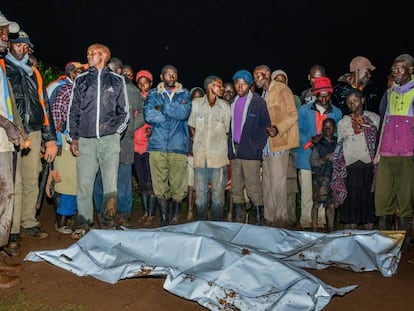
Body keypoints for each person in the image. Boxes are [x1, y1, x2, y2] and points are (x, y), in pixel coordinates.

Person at [68, 44, 129, 238]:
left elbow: (124, 112)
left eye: (92, 53)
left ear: (103, 55)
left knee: (110, 183)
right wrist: (73, 137)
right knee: (84, 183)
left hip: (109, 140)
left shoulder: (117, 81)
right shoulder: (81, 80)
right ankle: (83, 222)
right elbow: (74, 110)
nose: (88, 56)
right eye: (87, 53)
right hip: (86, 140)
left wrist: (115, 133)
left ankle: (109, 222)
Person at [6, 30, 58, 247]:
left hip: (34, 130)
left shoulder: (33, 72)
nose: (23, 48)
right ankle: (12, 227)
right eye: (18, 45)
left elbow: (44, 105)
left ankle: (28, 221)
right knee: (12, 180)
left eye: (26, 46)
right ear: (9, 45)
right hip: (10, 131)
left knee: (31, 177)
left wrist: (50, 139)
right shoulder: (3, 68)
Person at [93, 57, 141, 228]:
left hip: (124, 143)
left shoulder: (132, 91)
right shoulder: (102, 86)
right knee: (100, 180)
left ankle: (124, 213)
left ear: (119, 71)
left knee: (123, 181)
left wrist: (131, 126)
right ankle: (101, 212)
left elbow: (141, 113)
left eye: (112, 69)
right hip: (103, 142)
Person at [375, 54, 414, 253]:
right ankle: (386, 244)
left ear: (411, 70)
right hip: (387, 152)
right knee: (382, 197)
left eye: (400, 69)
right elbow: (383, 123)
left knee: (406, 198)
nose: (395, 72)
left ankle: (404, 244)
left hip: (408, 153)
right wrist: (378, 153)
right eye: (394, 69)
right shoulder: (390, 93)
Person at [143, 64, 191, 226]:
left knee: (178, 182)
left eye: (174, 74)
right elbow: (149, 115)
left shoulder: (185, 93)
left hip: (178, 145)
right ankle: (164, 216)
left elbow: (184, 113)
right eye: (168, 74)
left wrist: (162, 108)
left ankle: (175, 216)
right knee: (159, 182)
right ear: (161, 77)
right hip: (157, 145)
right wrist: (173, 114)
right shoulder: (153, 93)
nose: (171, 76)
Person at [295, 77, 342, 229]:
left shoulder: (336, 112)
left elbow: (337, 134)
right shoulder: (303, 110)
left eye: (326, 95)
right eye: (320, 95)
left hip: (326, 157)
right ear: (315, 94)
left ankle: (321, 221)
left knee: (324, 188)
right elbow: (298, 130)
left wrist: (325, 142)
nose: (323, 99)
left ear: (330, 94)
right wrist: (311, 142)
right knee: (307, 190)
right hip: (306, 154)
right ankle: (306, 220)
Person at [0, 10, 25, 289]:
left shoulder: (0, 67)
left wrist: (14, 128)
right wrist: (7, 125)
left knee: (5, 198)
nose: (6, 37)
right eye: (2, 32)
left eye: (7, 32)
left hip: (4, 142)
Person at [228, 69, 271, 223]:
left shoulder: (258, 102)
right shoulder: (232, 103)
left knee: (253, 188)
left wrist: (257, 147)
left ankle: (259, 220)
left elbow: (266, 126)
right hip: (235, 151)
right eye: (237, 84)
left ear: (250, 85)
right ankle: (238, 220)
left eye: (244, 84)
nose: (240, 87)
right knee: (236, 188)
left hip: (251, 153)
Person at [49, 61, 86, 234]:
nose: (81, 73)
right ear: (71, 73)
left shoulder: (79, 90)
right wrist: (58, 141)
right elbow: (56, 117)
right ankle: (62, 221)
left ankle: (69, 218)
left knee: (76, 180)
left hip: (76, 139)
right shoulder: (65, 90)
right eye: (79, 71)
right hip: (65, 140)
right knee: (66, 181)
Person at [334, 89, 379, 230]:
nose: (352, 104)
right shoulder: (343, 122)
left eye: (355, 100)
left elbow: (378, 142)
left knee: (368, 200)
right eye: (349, 102)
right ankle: (350, 235)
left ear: (363, 100)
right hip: (350, 166)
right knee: (351, 200)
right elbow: (340, 146)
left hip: (368, 166)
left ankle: (370, 235)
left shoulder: (374, 119)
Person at [188, 76, 230, 221]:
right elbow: (191, 126)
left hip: (218, 158)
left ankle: (217, 226)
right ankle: (201, 226)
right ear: (210, 86)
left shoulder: (225, 106)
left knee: (218, 196)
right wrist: (197, 142)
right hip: (200, 158)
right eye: (219, 85)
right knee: (200, 196)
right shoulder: (196, 104)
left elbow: (227, 131)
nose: (222, 88)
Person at [269, 69, 301, 228]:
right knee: (278, 184)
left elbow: (294, 119)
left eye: (283, 80)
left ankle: (291, 219)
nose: (280, 82)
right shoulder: (269, 96)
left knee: (290, 186)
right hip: (276, 146)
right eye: (277, 79)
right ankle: (281, 219)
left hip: (290, 147)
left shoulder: (293, 98)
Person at [134, 69, 157, 225]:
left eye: (146, 83)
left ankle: (152, 214)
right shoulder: (135, 99)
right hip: (136, 146)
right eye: (140, 83)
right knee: (142, 181)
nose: (143, 86)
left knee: (151, 180)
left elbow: (160, 119)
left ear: (151, 83)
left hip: (150, 146)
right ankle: (145, 212)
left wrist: (152, 128)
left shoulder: (155, 99)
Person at [310, 118, 337, 232]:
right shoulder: (318, 145)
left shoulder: (338, 143)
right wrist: (325, 158)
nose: (327, 129)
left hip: (333, 178)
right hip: (320, 178)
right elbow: (313, 162)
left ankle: (330, 229)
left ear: (334, 129)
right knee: (316, 204)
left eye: (330, 127)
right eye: (325, 127)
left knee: (331, 205)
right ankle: (314, 229)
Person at [186, 86, 205, 221]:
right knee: (190, 184)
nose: (197, 100)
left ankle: (204, 211)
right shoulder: (186, 113)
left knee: (205, 184)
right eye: (194, 98)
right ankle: (190, 210)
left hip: (206, 153)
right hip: (191, 153)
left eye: (200, 98)